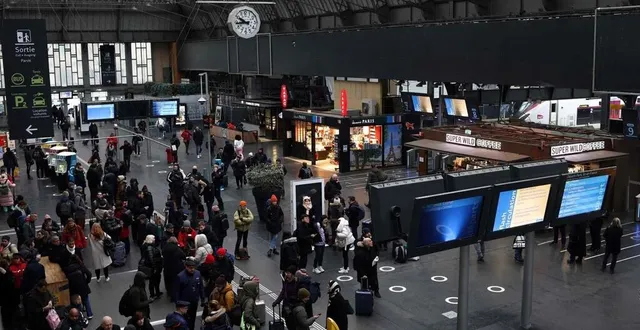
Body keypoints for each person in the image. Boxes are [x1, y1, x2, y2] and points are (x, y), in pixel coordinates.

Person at [174, 259, 205, 330]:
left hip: (194, 301)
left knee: (193, 318)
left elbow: (201, 287)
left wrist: (202, 298)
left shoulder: (198, 273)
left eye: (193, 267)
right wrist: (177, 304)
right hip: (184, 303)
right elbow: (177, 291)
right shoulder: (180, 276)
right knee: (184, 320)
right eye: (190, 268)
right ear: (186, 267)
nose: (192, 269)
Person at [163, 236, 186, 302]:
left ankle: (169, 293)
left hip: (167, 267)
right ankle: (174, 297)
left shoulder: (165, 248)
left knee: (168, 281)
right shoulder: (177, 249)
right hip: (175, 268)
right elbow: (183, 256)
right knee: (175, 282)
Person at [141, 235, 164, 299]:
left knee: (153, 280)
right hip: (154, 267)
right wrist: (155, 268)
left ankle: (155, 293)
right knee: (154, 280)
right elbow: (151, 259)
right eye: (153, 238)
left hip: (153, 267)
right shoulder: (150, 248)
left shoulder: (148, 247)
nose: (154, 239)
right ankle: (154, 294)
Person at [0, 259, 19, 330]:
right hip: (11, 300)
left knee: (6, 320)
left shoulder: (6, 275)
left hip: (5, 302)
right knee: (12, 318)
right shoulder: (9, 275)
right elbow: (11, 284)